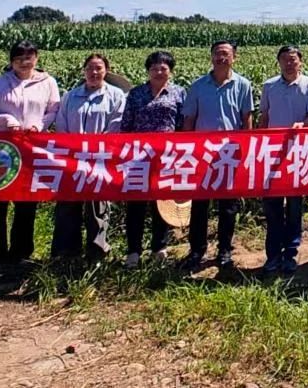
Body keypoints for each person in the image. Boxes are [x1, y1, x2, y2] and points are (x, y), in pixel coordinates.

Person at [0, 40, 60, 268]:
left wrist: (40, 125)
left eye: (28, 58)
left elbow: (54, 110)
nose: (24, 63)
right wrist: (6, 120)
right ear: (11, 62)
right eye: (18, 59)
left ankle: (21, 254)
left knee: (26, 202)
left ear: (36, 59)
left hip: (32, 149)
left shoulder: (48, 82)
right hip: (0, 149)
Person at [181, 40, 254, 270]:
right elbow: (189, 119)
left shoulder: (243, 85)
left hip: (229, 153)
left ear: (234, 58)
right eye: (217, 53)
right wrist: (187, 148)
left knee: (228, 205)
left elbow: (246, 118)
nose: (221, 58)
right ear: (211, 57)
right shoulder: (197, 86)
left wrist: (246, 147)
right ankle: (197, 250)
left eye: (226, 54)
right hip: (202, 153)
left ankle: (224, 250)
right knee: (200, 205)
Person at [50, 53, 126, 261]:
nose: (94, 72)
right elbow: (62, 125)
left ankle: (97, 252)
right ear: (84, 71)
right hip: (72, 158)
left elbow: (116, 125)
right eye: (90, 68)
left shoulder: (116, 96)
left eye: (98, 68)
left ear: (106, 71)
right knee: (67, 204)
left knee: (97, 205)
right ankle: (65, 253)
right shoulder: (70, 96)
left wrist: (96, 148)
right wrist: (72, 148)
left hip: (100, 158)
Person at [258, 45, 308, 274]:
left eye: (293, 59)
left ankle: (291, 253)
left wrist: (303, 124)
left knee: (295, 207)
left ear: (300, 62)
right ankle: (273, 255)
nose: (289, 63)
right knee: (272, 206)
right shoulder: (269, 86)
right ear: (278, 62)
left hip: (298, 154)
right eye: (284, 59)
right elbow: (264, 117)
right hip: (272, 153)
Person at [121, 50, 186, 268]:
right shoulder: (136, 93)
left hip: (167, 157)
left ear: (171, 71)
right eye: (154, 68)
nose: (158, 72)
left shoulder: (178, 93)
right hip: (138, 157)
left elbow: (182, 125)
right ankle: (133, 251)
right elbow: (127, 124)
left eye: (163, 68)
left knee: (162, 203)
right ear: (148, 71)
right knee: (136, 204)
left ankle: (159, 248)